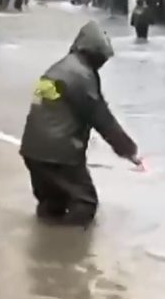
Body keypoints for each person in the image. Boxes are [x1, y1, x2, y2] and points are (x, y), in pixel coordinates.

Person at [20, 21, 144, 226]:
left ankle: (43, 249)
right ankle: (69, 253)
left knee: (52, 203)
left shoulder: (58, 69)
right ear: (94, 54)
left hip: (33, 152)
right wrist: (129, 150)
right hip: (60, 155)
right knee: (85, 204)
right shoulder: (80, 76)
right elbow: (102, 119)